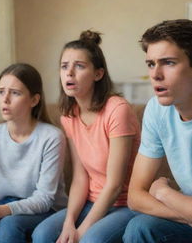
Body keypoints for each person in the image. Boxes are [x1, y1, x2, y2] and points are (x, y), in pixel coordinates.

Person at [122, 19, 192, 243]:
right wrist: (188, 215)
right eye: (151, 64)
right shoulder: (155, 109)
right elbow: (135, 197)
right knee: (139, 228)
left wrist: (164, 193)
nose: (155, 74)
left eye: (168, 63)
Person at [32, 30, 141, 243]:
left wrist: (82, 231)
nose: (69, 73)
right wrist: (69, 223)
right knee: (42, 234)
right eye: (64, 66)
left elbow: (115, 185)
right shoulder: (68, 115)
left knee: (90, 240)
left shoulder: (117, 110)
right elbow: (81, 177)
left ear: (98, 74)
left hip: (126, 204)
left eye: (79, 66)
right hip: (91, 201)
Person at [0, 63, 67, 242]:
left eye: (15, 93)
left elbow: (44, 199)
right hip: (4, 204)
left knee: (8, 226)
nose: (5, 99)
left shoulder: (52, 137)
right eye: (1, 91)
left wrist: (0, 211)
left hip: (46, 210)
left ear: (34, 100)